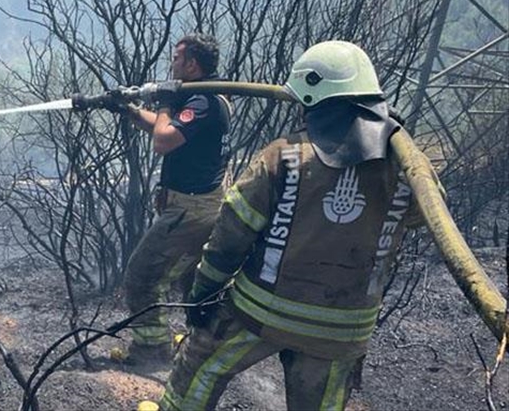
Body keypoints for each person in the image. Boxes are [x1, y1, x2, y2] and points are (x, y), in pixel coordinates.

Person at [156, 40, 422, 411]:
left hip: (261, 312)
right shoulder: (407, 168)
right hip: (342, 330)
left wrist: (203, 292)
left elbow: (232, 232)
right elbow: (421, 217)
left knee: (198, 371)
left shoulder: (284, 157)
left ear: (310, 97)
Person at [110, 33, 233, 364]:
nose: (172, 64)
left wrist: (164, 101)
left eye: (177, 59)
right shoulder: (203, 98)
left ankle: (153, 351)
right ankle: (201, 352)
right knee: (192, 284)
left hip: (189, 210)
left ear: (192, 64)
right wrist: (128, 110)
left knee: (142, 279)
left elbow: (163, 140)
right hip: (196, 206)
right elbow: (167, 129)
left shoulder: (204, 103)